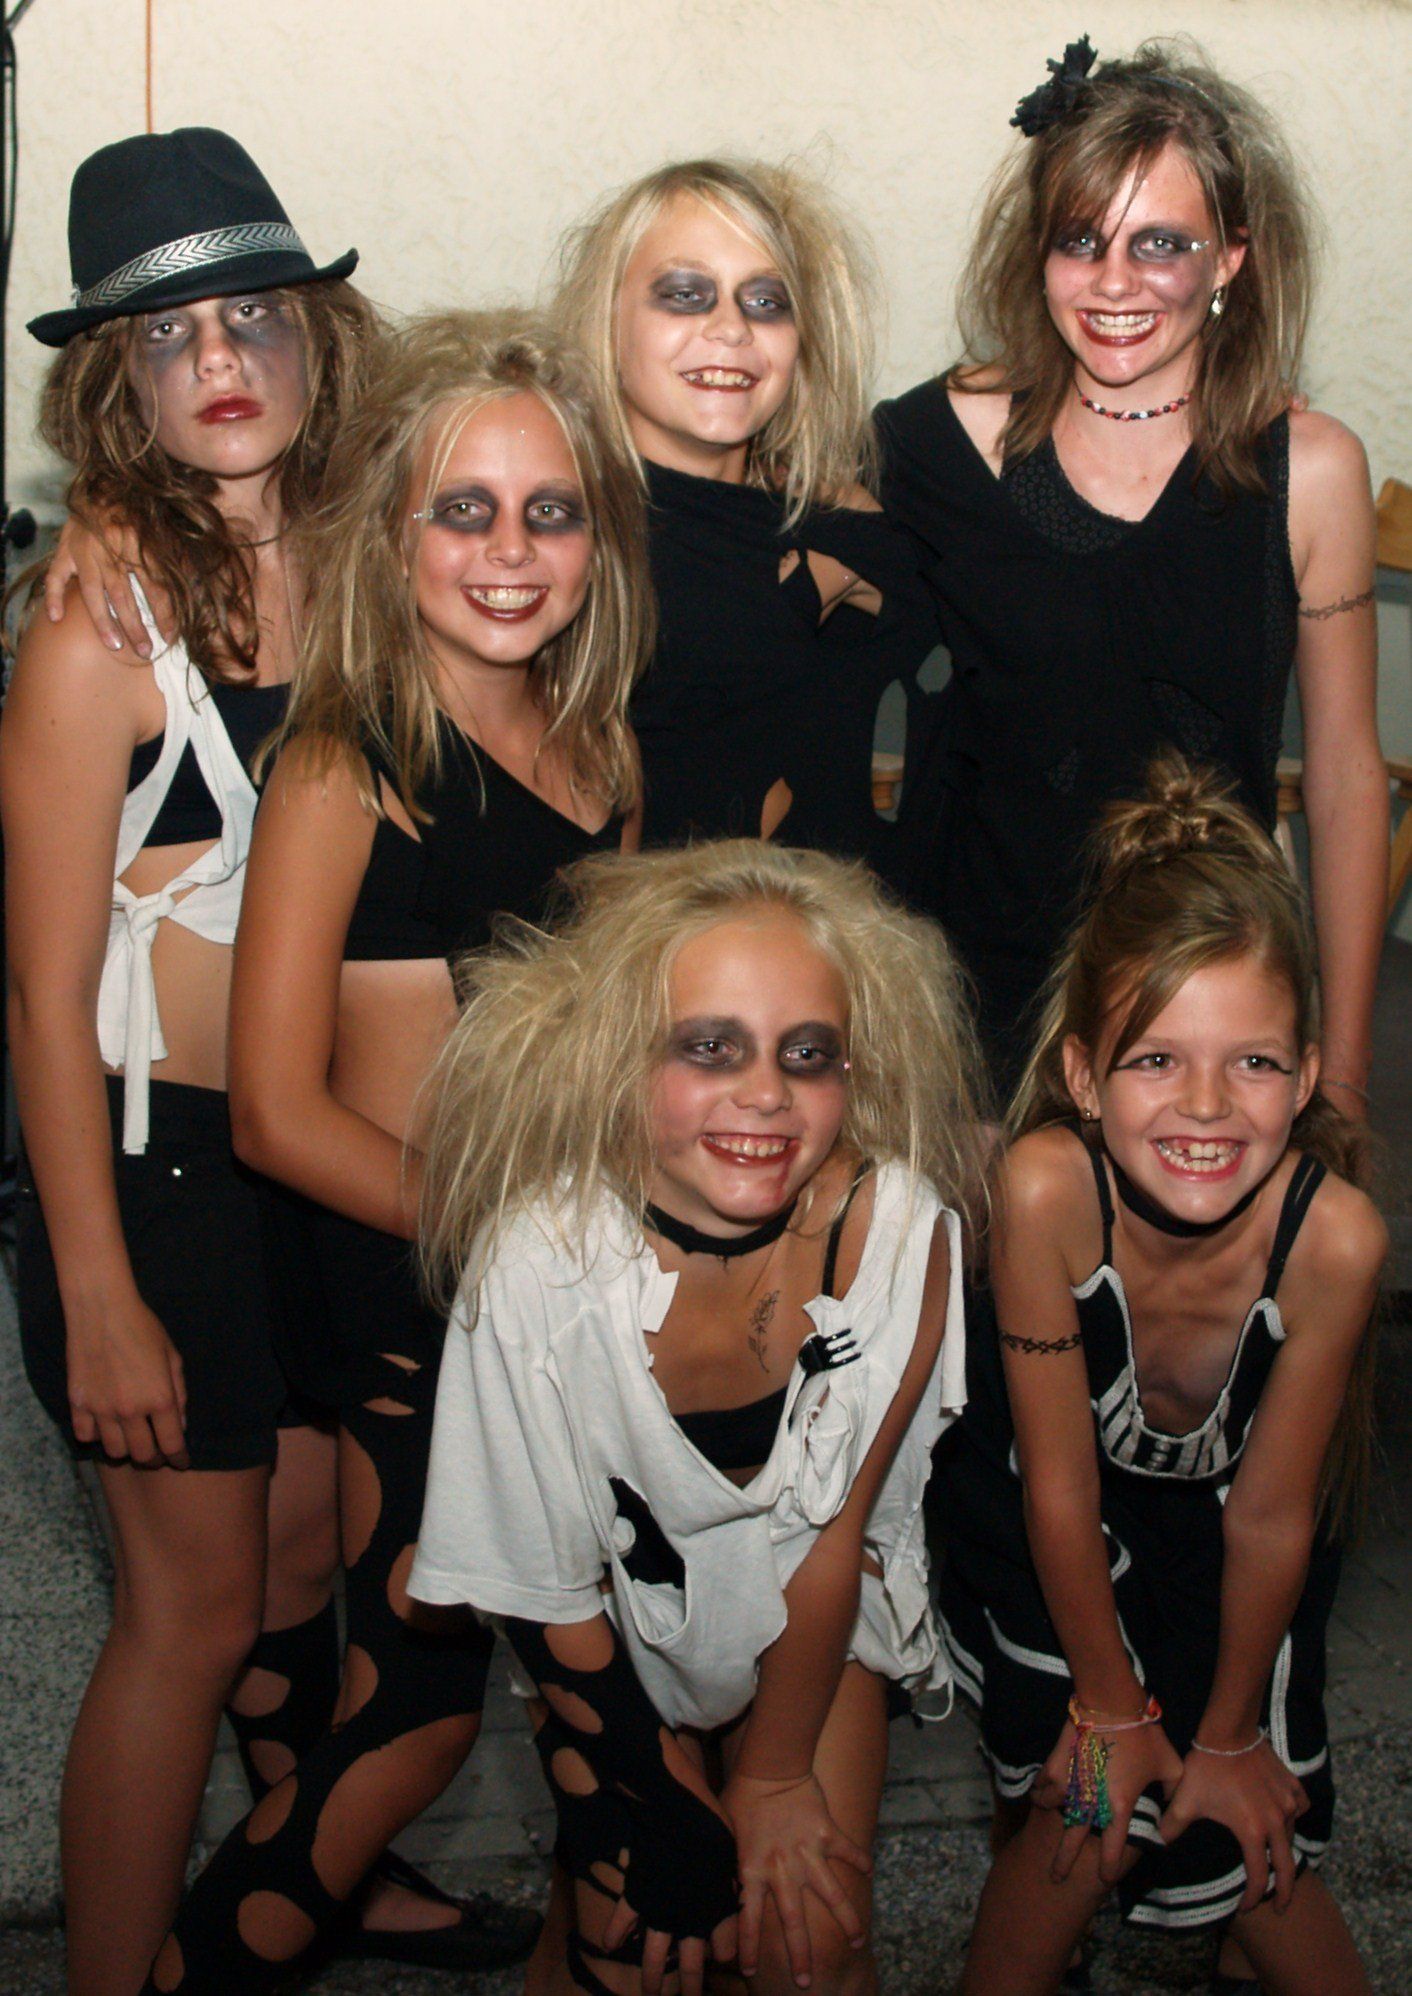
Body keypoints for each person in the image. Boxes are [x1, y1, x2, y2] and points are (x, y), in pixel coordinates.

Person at [139, 310, 650, 1995]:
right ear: (395, 533)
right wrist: (501, 1245)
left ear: (599, 538)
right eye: (464, 510)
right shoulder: (344, 762)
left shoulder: (602, 751)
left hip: (545, 1297)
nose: (509, 552)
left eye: (550, 511)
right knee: (419, 1713)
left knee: (583, 1714)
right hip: (408, 1292)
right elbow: (275, 1110)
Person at [0, 127, 374, 1995]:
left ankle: (302, 1884)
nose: (219, 360)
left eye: (252, 317)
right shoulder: (99, 626)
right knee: (191, 1610)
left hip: (313, 1156)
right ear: (115, 387)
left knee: (303, 1563)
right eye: (165, 337)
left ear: (319, 336)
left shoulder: (374, 553)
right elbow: (40, 994)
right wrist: (94, 1291)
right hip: (152, 1180)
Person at [409, 839, 991, 1996]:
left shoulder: (898, 1235)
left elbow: (835, 1536)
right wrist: (660, 1799)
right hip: (605, 1637)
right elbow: (548, 1595)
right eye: (709, 1046)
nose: (766, 1091)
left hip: (832, 1628)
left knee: (809, 1944)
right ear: (615, 1058)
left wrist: (769, 1779)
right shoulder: (536, 1267)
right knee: (633, 1945)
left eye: (806, 1053)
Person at [938, 756, 1383, 1994]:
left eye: (1251, 1064)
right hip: (1050, 1532)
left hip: (1231, 1545)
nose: (1203, 1106)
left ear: (1304, 1078)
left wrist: (1228, 1733)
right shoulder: (1044, 1190)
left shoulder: (1334, 1242)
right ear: (1083, 1076)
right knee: (1085, 1809)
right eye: (1154, 1061)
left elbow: (1270, 1515)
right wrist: (1110, 1703)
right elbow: (1056, 1489)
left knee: (1245, 1822)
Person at [875, 37, 1387, 1105]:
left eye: (1159, 243)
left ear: (1230, 258)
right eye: (1080, 240)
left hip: (1203, 1004)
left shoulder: (1309, 471)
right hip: (974, 997)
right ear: (1038, 252)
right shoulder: (934, 445)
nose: (1113, 283)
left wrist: (1339, 1074)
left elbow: (1343, 778)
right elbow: (748, 529)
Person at [554, 157, 939, 863]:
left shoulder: (846, 524)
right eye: (684, 294)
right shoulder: (558, 536)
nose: (731, 328)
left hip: (860, 919)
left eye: (766, 302)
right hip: (647, 924)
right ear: (608, 320)